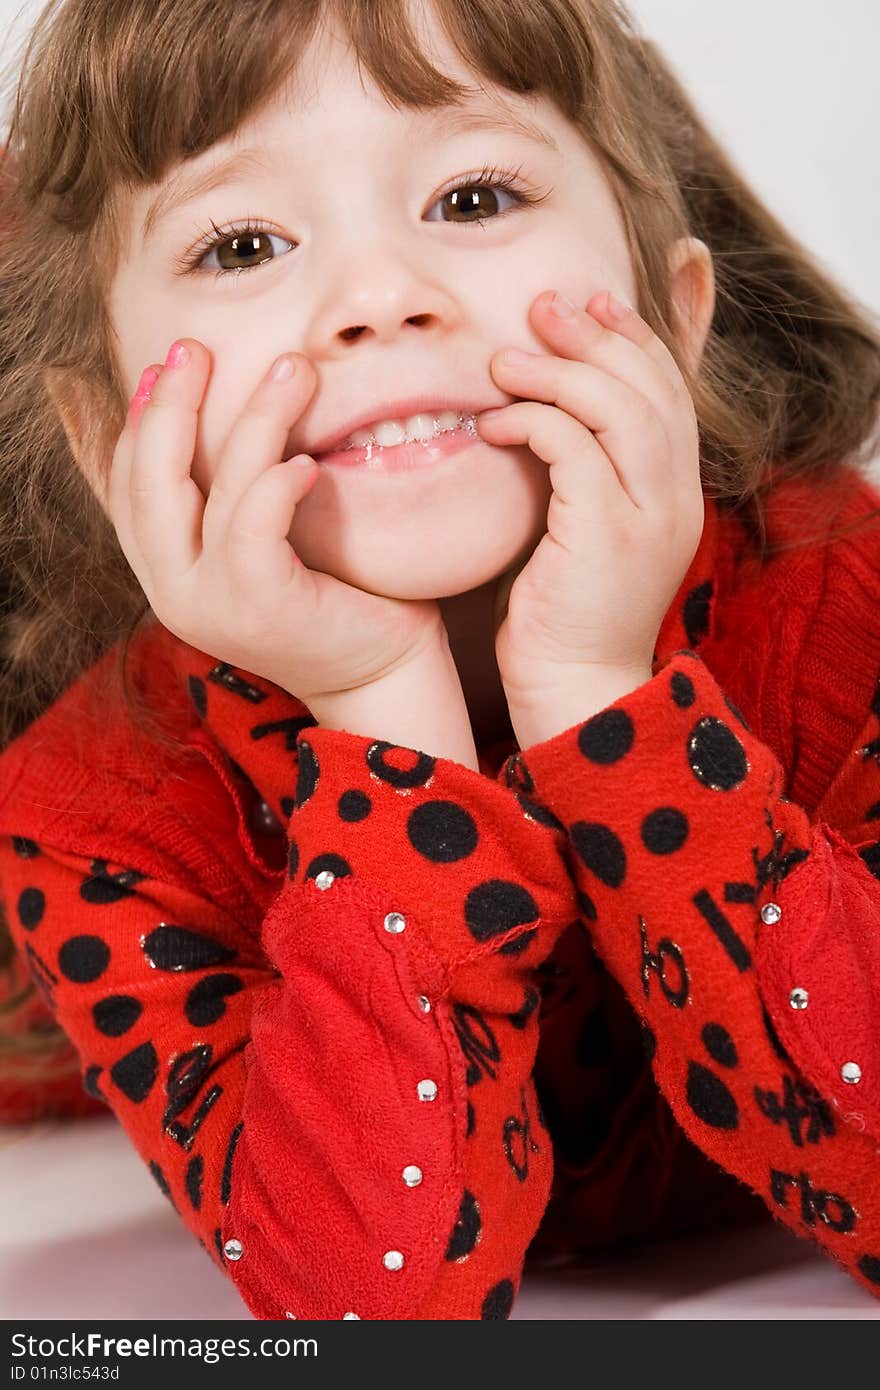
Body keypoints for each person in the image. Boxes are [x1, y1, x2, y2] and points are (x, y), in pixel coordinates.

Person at [0, 0, 879, 1322]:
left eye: (473, 196)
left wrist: (608, 695)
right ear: (100, 435)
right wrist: (379, 722)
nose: (377, 297)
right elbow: (370, 1312)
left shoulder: (840, 608)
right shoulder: (94, 810)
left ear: (673, 317)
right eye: (242, 242)